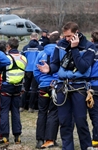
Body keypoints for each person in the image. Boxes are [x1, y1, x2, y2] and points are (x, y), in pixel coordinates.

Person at [37, 22, 95, 150]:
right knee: (64, 122)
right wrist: (49, 69)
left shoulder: (89, 47)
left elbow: (84, 66)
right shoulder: (60, 45)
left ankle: (86, 146)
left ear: (77, 33)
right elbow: (56, 64)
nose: (67, 39)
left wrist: (74, 49)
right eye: (65, 36)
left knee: (80, 121)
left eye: (69, 36)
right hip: (62, 87)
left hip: (79, 87)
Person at [33, 33, 60, 148]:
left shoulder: (40, 53)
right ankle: (50, 139)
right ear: (58, 41)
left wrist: (42, 82)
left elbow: (35, 70)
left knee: (42, 112)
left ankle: (40, 139)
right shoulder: (60, 52)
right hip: (56, 86)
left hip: (43, 86)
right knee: (53, 113)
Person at [0, 38, 27, 144]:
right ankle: (17, 136)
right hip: (18, 87)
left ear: (8, 47)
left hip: (6, 86)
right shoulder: (23, 58)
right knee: (16, 112)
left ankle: (5, 136)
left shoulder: (6, 58)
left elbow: (0, 69)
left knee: (4, 111)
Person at [20, 32, 43, 113]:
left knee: (25, 89)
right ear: (37, 38)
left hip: (27, 70)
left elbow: (22, 59)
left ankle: (22, 106)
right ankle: (31, 107)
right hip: (36, 70)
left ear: (30, 38)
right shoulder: (40, 48)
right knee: (34, 89)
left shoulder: (25, 48)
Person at [88, 31, 98, 147]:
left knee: (95, 113)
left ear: (92, 40)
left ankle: (96, 139)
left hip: (93, 85)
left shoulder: (90, 52)